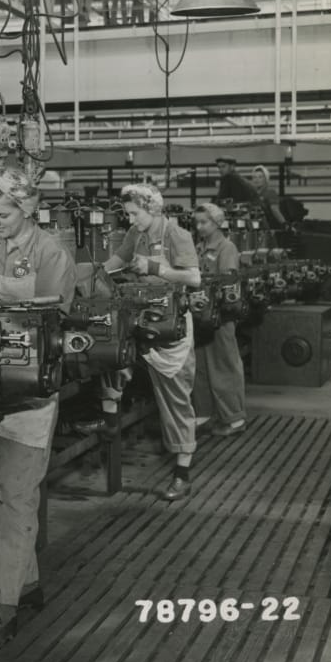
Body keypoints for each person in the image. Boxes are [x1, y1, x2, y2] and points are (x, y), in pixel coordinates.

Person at [0, 166, 76, 650]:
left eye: (3, 214)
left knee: (13, 498)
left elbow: (51, 315)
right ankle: (25, 582)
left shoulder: (52, 253)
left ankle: (3, 610)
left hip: (27, 393)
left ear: (27, 208)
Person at [99, 183, 202, 502]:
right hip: (139, 313)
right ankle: (108, 419)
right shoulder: (136, 233)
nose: (130, 220)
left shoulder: (176, 235)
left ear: (152, 209)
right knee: (109, 356)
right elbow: (118, 259)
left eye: (134, 214)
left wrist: (156, 268)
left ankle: (182, 473)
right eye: (127, 214)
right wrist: (94, 274)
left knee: (175, 397)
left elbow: (194, 278)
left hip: (168, 322)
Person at [191, 203, 247, 437]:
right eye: (197, 222)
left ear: (217, 223)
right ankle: (204, 414)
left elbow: (228, 280)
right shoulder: (199, 247)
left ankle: (235, 419)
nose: (199, 227)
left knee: (224, 366)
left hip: (221, 316)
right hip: (201, 315)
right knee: (201, 367)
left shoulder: (227, 248)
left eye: (204, 222)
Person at [250, 165, 286, 229]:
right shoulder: (251, 194)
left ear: (266, 179)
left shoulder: (270, 192)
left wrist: (285, 224)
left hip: (268, 228)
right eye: (254, 177)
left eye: (260, 177)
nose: (257, 179)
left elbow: (275, 210)